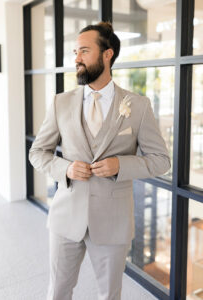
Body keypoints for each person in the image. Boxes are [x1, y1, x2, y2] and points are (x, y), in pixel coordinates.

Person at [29, 21, 170, 300]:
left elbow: (161, 160)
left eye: (84, 51)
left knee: (109, 295)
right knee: (58, 291)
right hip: (66, 218)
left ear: (107, 55)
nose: (77, 59)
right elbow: (38, 153)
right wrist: (65, 168)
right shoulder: (60, 102)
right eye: (75, 52)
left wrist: (121, 165)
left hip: (113, 222)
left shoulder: (137, 106)